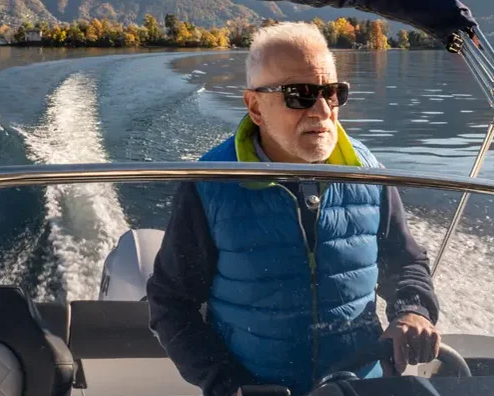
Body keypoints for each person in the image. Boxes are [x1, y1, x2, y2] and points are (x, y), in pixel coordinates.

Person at [146, 22, 441, 396]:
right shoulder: (211, 184)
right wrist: (227, 385)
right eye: (298, 94)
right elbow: (172, 302)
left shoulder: (369, 174)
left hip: (361, 387)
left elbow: (407, 262)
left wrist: (412, 310)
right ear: (254, 106)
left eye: (332, 93)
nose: (321, 110)